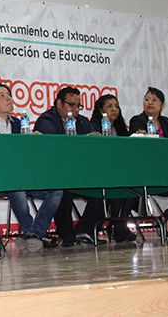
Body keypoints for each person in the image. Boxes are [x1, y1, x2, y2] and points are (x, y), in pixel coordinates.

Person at [0, 83, 62, 252]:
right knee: (17, 189)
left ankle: (34, 234)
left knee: (56, 191)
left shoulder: (19, 124)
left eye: (9, 95)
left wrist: (33, 142)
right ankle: (31, 232)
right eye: (2, 96)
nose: (8, 99)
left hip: (21, 177)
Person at [34, 86, 105, 247]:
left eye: (78, 105)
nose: (76, 109)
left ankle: (85, 229)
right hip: (54, 173)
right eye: (71, 105)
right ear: (59, 103)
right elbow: (54, 146)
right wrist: (84, 139)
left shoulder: (82, 121)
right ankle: (66, 234)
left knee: (106, 187)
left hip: (80, 173)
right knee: (61, 187)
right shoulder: (46, 119)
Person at [129, 87, 168, 238]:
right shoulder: (137, 120)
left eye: (154, 100)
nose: (150, 103)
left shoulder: (165, 122)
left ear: (162, 105)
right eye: (147, 99)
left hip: (167, 171)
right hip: (147, 172)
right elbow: (138, 138)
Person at [90, 94, 137, 243]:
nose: (114, 109)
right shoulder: (93, 126)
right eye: (109, 106)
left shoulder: (120, 128)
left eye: (116, 106)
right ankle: (118, 225)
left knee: (133, 184)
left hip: (119, 172)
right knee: (117, 184)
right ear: (100, 109)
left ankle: (118, 223)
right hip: (100, 173)